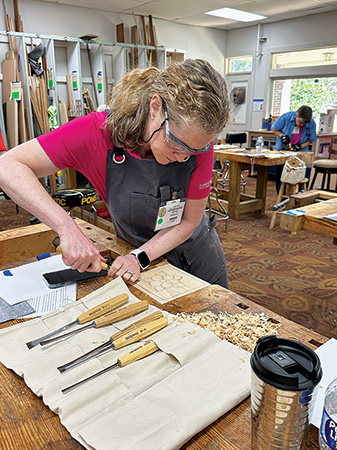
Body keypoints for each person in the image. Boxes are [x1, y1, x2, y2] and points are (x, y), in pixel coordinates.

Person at [0, 59, 230, 287]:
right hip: (136, 266)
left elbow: (189, 220)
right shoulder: (97, 133)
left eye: (195, 149)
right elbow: (8, 166)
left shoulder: (197, 141)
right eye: (176, 144)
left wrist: (139, 257)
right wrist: (66, 227)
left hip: (198, 257)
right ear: (155, 107)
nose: (184, 157)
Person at [271, 105, 317, 191]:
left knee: (299, 175)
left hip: (300, 151)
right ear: (296, 115)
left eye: (304, 124)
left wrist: (300, 146)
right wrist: (282, 136)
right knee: (281, 174)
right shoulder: (286, 117)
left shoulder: (311, 123)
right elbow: (274, 128)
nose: (301, 125)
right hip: (283, 149)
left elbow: (311, 140)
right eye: (300, 122)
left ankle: (298, 198)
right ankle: (281, 198)